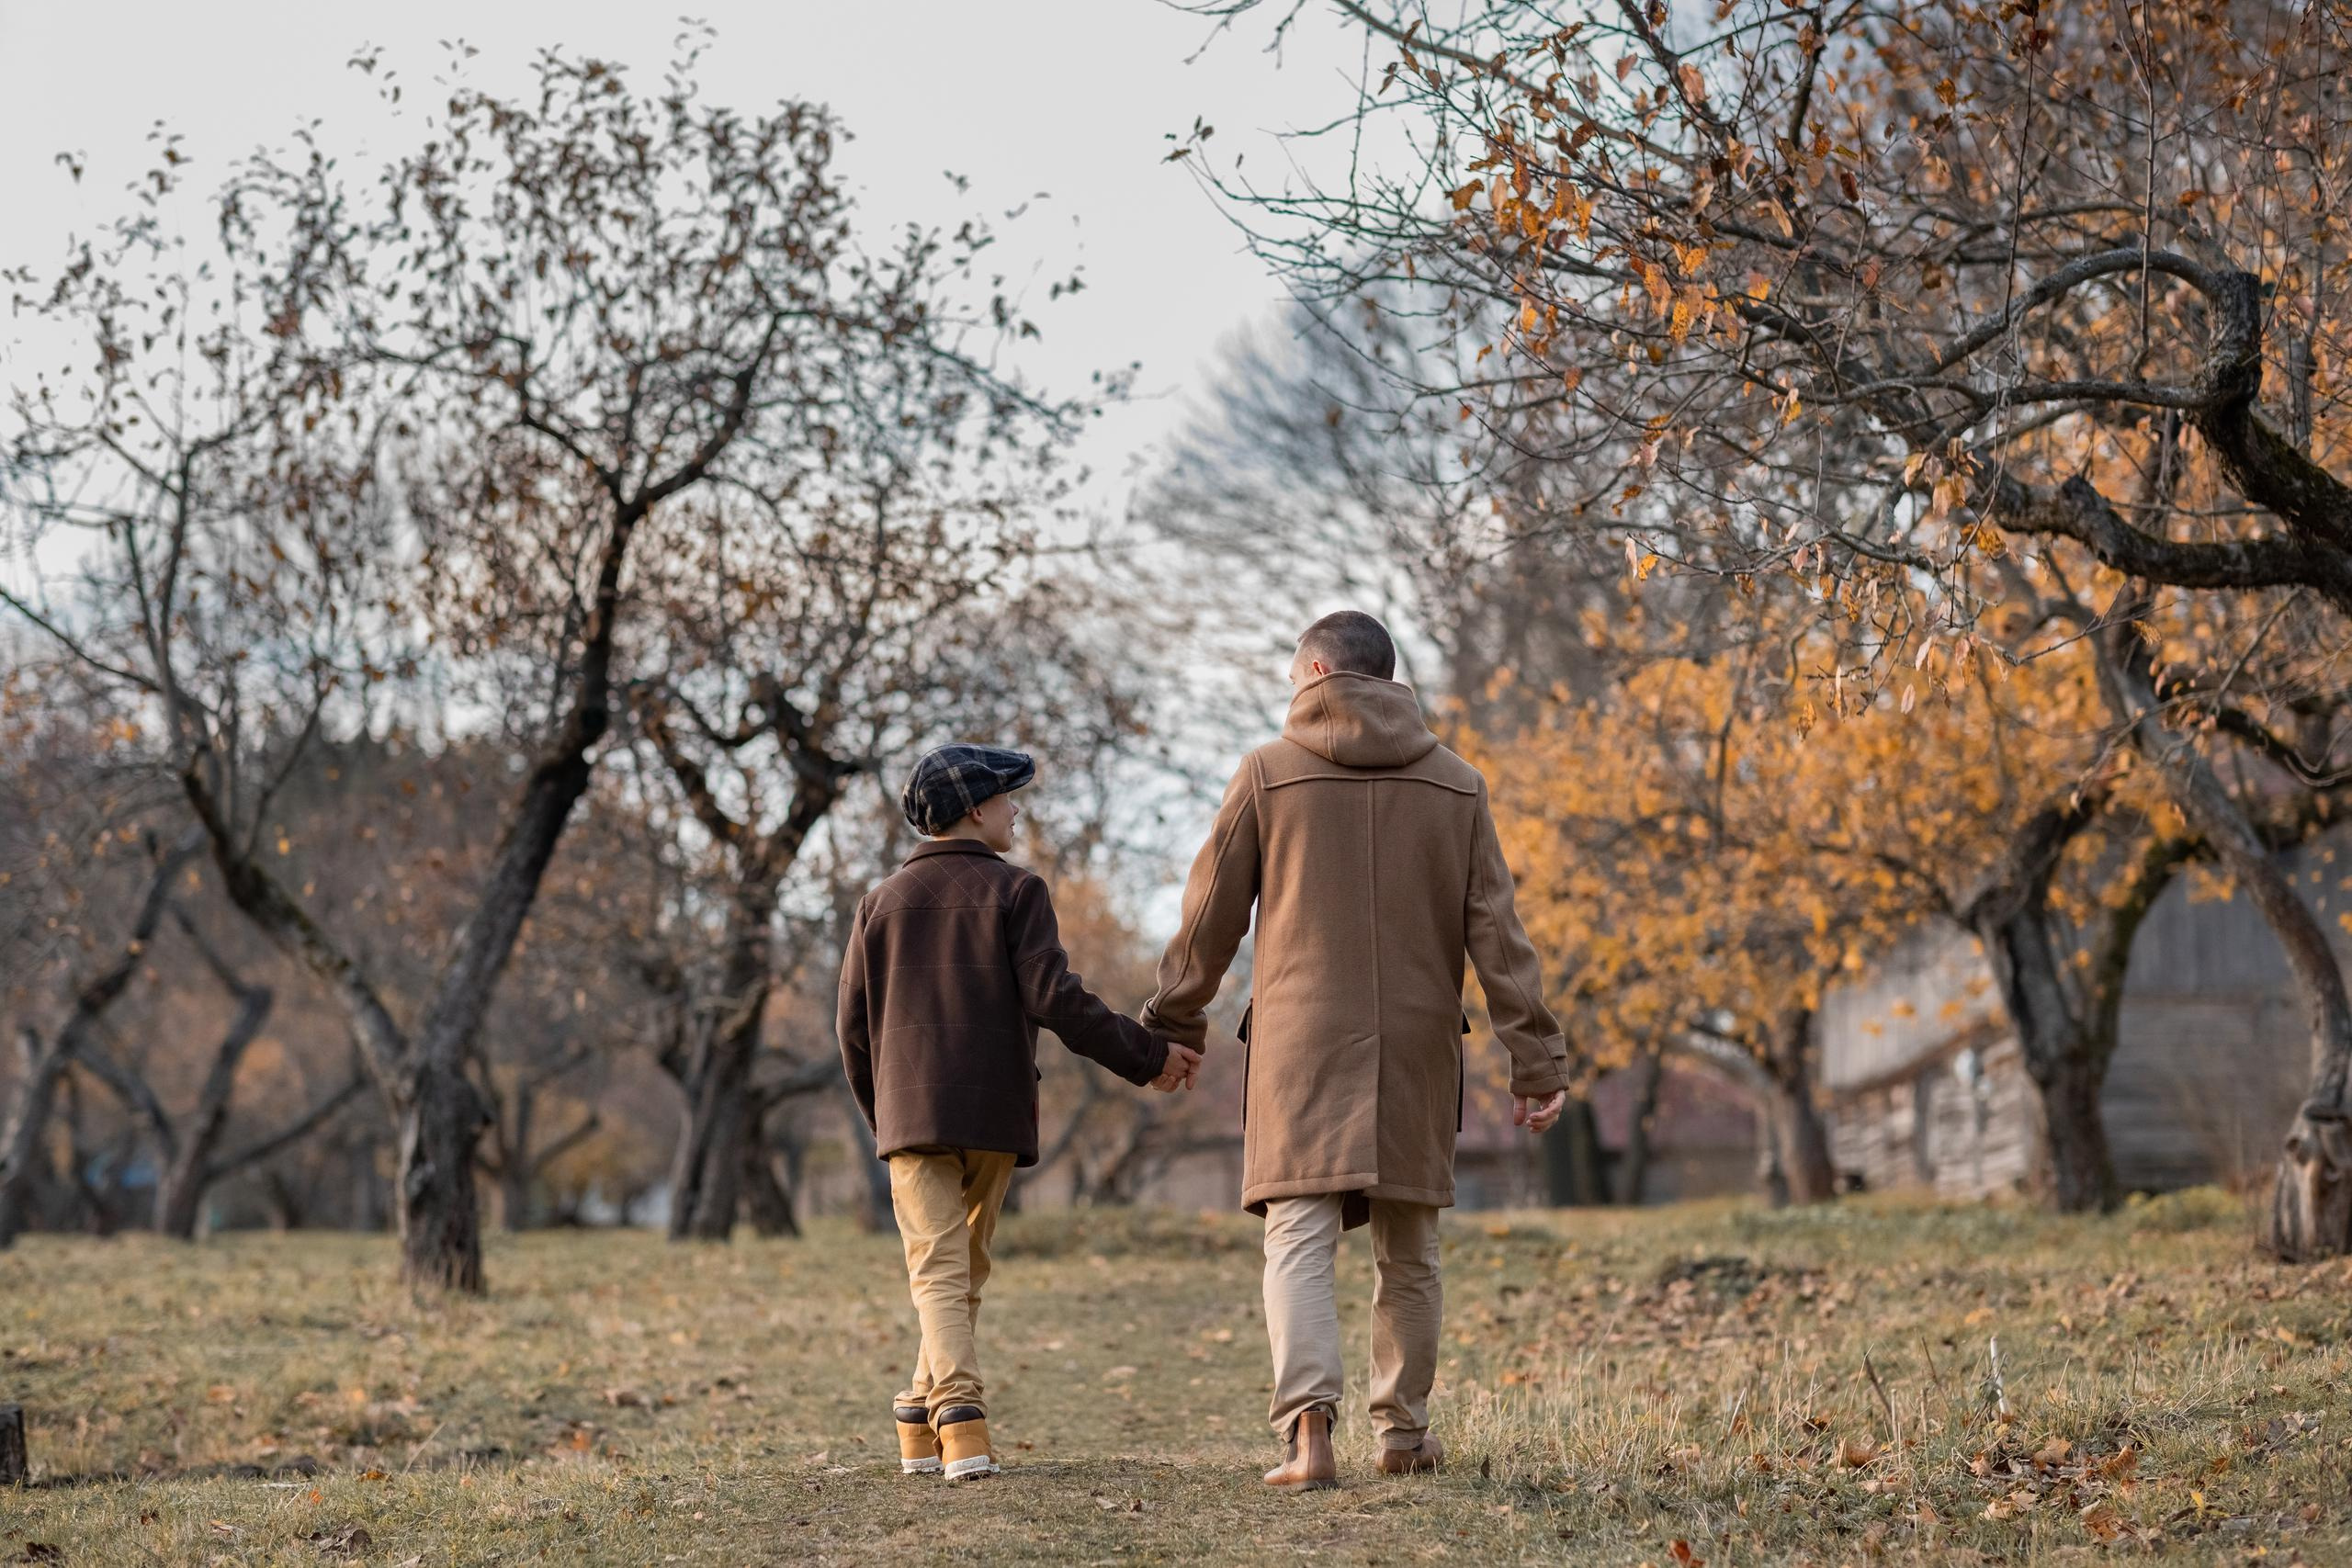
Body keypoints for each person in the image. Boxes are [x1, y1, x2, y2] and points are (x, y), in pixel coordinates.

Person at [1144, 611, 1569, 1491]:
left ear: (1316, 668)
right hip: (1417, 1040)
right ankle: (1404, 1434)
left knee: (1298, 1234)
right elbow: (1498, 933)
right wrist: (1536, 1060)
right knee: (1410, 1243)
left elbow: (1209, 917)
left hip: (1299, 1041)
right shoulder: (1458, 783)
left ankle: (1308, 1437)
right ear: (1389, 676)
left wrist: (1176, 1020)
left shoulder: (1268, 772)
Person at [839, 743, 1200, 1481]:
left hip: (910, 1113)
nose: (1016, 811)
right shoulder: (1016, 890)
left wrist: (888, 1118)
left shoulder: (879, 903)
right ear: (976, 810)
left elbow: (852, 1025)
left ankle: (917, 1411)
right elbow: (1056, 998)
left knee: (948, 1265)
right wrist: (1147, 1054)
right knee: (955, 1264)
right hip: (995, 1113)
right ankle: (959, 1418)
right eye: (1009, 799)